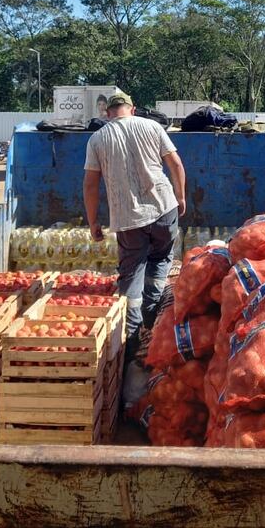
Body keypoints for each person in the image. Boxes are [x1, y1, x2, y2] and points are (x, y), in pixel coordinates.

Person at [83, 91, 186, 356]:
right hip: (164, 208)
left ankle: (129, 348)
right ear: (133, 109)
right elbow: (175, 163)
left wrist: (93, 221)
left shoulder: (97, 138)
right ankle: (151, 322)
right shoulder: (152, 126)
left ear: (108, 113)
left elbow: (90, 184)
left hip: (128, 219)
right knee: (161, 260)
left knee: (131, 276)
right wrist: (181, 195)